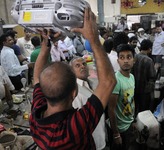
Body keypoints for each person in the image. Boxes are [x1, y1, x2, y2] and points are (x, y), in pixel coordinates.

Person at [29, 7, 116, 150]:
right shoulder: (74, 128)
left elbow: (37, 77)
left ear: (43, 92)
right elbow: (109, 82)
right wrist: (94, 38)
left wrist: (47, 43)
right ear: (74, 93)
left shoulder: (36, 115)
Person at [70, 56, 106, 150]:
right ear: (72, 71)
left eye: (84, 64)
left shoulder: (93, 83)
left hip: (101, 132)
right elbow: (79, 124)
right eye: (77, 65)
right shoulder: (75, 92)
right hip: (92, 141)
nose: (82, 67)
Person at [108, 44, 136, 150]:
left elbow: (132, 99)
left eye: (129, 57)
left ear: (134, 60)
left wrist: (132, 120)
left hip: (127, 124)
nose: (125, 61)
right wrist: (116, 134)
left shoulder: (132, 77)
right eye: (122, 57)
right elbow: (111, 108)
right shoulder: (116, 80)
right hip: (118, 129)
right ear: (118, 61)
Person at [131, 39, 158, 115]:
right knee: (143, 111)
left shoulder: (134, 58)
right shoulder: (149, 60)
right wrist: (155, 69)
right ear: (149, 48)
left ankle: (134, 123)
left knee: (134, 108)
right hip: (145, 90)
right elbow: (152, 76)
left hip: (134, 89)